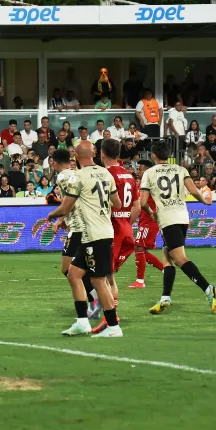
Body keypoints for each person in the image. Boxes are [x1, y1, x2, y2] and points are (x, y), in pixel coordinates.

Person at [47, 140, 122, 337]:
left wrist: (52, 215)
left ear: (76, 156)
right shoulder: (105, 173)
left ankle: (113, 327)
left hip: (93, 233)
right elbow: (117, 203)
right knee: (73, 274)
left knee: (98, 280)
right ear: (94, 153)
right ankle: (82, 321)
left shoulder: (78, 177)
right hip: (102, 230)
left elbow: (65, 207)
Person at [139, 142, 216, 315]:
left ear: (153, 156)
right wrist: (204, 201)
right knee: (167, 255)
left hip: (167, 219)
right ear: (169, 155)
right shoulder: (180, 169)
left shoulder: (149, 173)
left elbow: (142, 202)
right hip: (182, 217)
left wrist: (151, 213)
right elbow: (194, 190)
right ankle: (165, 297)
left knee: (179, 258)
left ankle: (208, 288)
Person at [47, 149, 100, 321]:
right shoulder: (77, 173)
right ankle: (95, 299)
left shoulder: (62, 177)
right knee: (83, 268)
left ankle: (94, 297)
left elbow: (69, 202)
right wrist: (63, 219)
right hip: (87, 226)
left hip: (78, 228)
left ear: (54, 162)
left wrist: (57, 217)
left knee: (68, 269)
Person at [101, 139, 142, 329]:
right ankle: (106, 311)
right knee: (107, 275)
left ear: (102, 154)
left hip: (112, 230)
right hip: (126, 229)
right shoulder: (129, 176)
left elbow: (107, 204)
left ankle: (110, 317)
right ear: (118, 154)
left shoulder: (106, 175)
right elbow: (137, 206)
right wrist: (126, 222)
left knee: (105, 277)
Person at [129, 160, 166, 289]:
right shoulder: (142, 184)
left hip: (149, 221)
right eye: (138, 169)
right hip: (144, 220)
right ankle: (165, 269)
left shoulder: (152, 184)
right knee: (141, 249)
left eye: (141, 169)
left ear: (148, 170)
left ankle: (140, 281)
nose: (138, 171)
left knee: (139, 247)